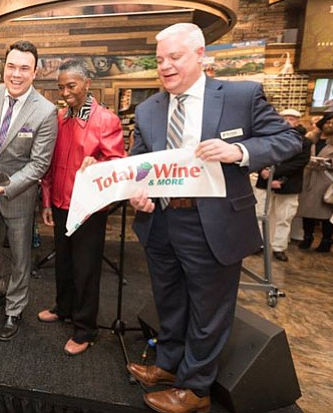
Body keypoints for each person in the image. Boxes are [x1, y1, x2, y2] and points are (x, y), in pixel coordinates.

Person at [126, 23, 301, 413]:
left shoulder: (241, 95)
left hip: (213, 224)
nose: (166, 67)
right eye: (159, 60)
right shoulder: (149, 108)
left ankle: (196, 388)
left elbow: (288, 140)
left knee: (209, 308)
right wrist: (137, 191)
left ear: (201, 55)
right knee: (169, 300)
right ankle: (169, 366)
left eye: (175, 57)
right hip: (162, 221)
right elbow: (139, 163)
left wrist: (237, 151)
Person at [0, 40, 58, 341]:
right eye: (11, 66)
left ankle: (15, 308)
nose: (16, 74)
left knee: (21, 256)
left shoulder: (46, 112)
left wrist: (3, 189)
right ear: (3, 67)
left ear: (35, 73)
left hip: (17, 195)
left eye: (24, 68)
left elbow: (39, 165)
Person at [37, 61, 125, 355]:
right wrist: (47, 201)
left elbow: (117, 163)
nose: (65, 92)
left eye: (71, 86)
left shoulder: (106, 120)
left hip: (88, 209)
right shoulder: (60, 118)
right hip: (62, 203)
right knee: (63, 262)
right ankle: (64, 307)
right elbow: (50, 165)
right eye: (61, 87)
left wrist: (98, 164)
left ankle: (86, 328)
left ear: (87, 83)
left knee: (85, 269)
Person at [254, 108, 311, 261]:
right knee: (259, 213)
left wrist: (276, 176)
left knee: (284, 217)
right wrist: (264, 171)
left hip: (289, 184)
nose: (288, 121)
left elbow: (299, 163)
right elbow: (259, 154)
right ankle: (258, 244)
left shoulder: (305, 141)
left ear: (298, 121)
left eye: (292, 118)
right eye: (285, 118)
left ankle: (279, 247)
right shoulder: (268, 136)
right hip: (264, 181)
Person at [297, 108, 333, 253]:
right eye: (328, 122)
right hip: (309, 177)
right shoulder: (311, 137)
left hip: (326, 180)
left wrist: (330, 162)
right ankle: (307, 237)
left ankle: (326, 240)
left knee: (325, 212)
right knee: (307, 210)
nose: (330, 125)